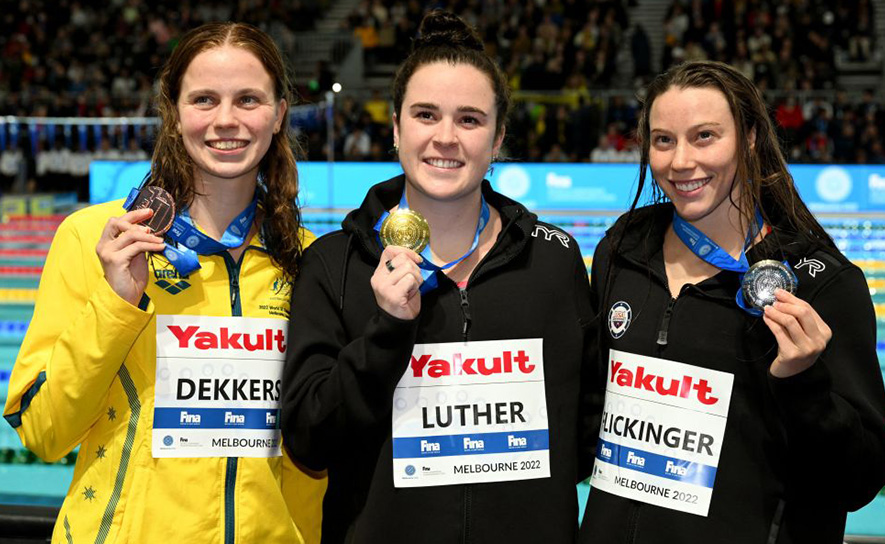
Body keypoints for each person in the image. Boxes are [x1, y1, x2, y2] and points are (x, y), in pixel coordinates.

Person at [2, 22, 325, 543]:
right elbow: (43, 431)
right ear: (174, 114)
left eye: (248, 100)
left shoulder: (309, 260)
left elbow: (314, 453)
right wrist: (116, 304)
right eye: (204, 99)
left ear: (278, 114)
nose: (226, 120)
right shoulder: (97, 239)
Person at [281, 11, 595, 544]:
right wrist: (386, 333)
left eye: (469, 120)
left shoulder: (553, 262)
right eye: (426, 115)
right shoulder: (334, 264)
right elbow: (310, 441)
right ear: (396, 128)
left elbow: (583, 434)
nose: (445, 137)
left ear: (497, 138)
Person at [580, 60, 885, 543]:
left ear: (750, 139)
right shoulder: (623, 249)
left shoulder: (822, 284)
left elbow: (860, 480)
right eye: (663, 140)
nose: (681, 161)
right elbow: (589, 411)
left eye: (704, 136)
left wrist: (804, 383)